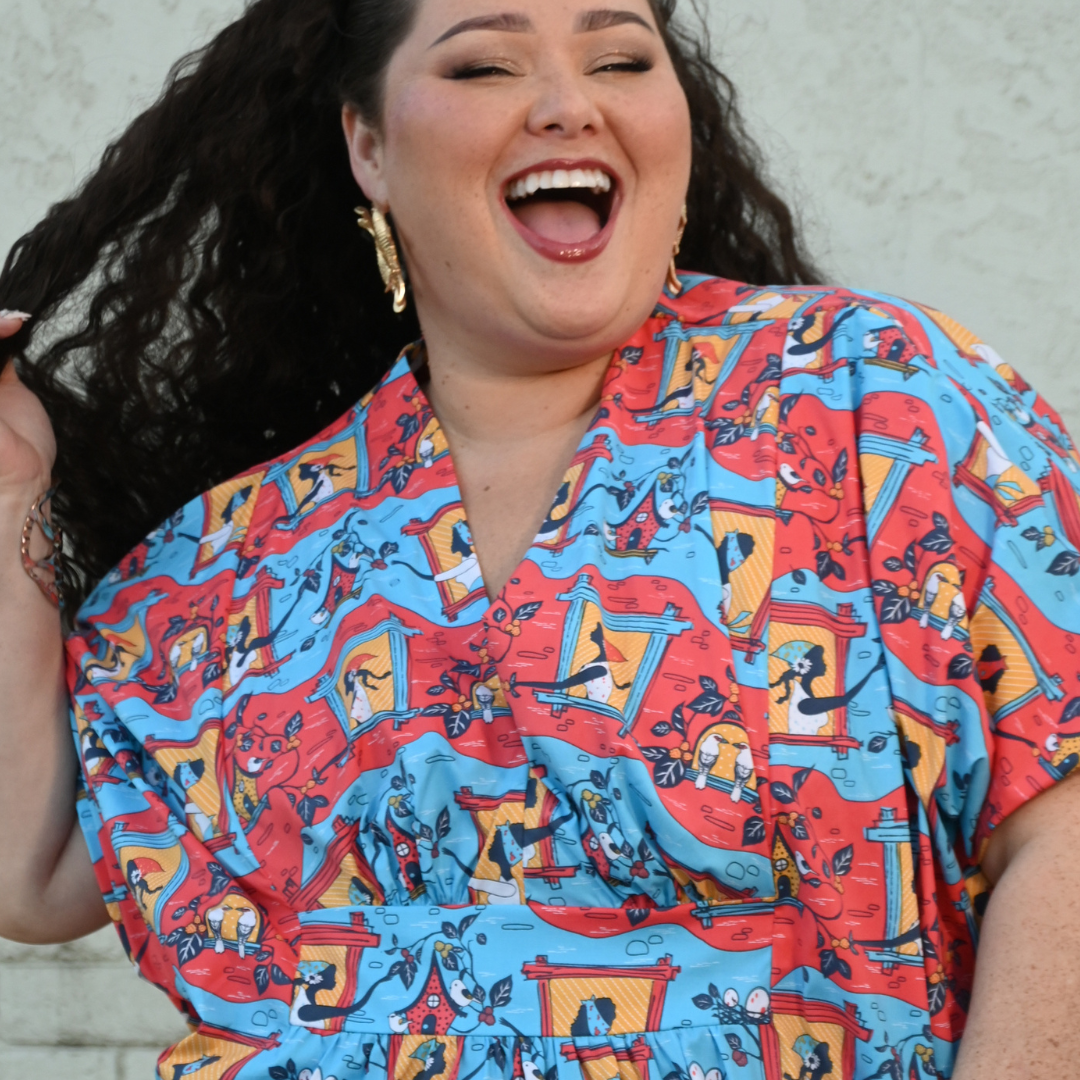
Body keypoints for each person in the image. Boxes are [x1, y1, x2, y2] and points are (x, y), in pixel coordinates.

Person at [0, 2, 1077, 1078]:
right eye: (484, 68)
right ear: (367, 147)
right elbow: (38, 867)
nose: (570, 105)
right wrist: (10, 485)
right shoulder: (240, 553)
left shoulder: (875, 403)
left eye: (618, 58)